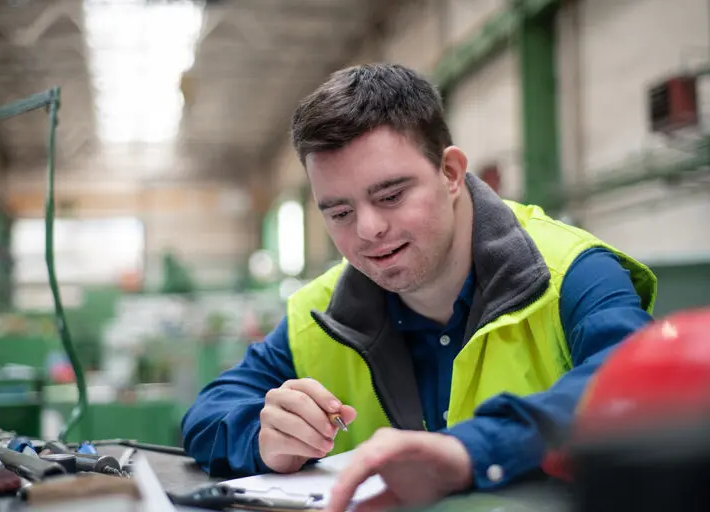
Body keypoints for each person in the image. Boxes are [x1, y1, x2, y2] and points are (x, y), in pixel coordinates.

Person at [181, 63, 656, 511]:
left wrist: (471, 450)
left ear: (450, 172)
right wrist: (261, 436)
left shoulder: (571, 274)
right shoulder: (321, 314)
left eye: (391, 196)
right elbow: (207, 413)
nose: (368, 229)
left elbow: (641, 389)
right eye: (339, 212)